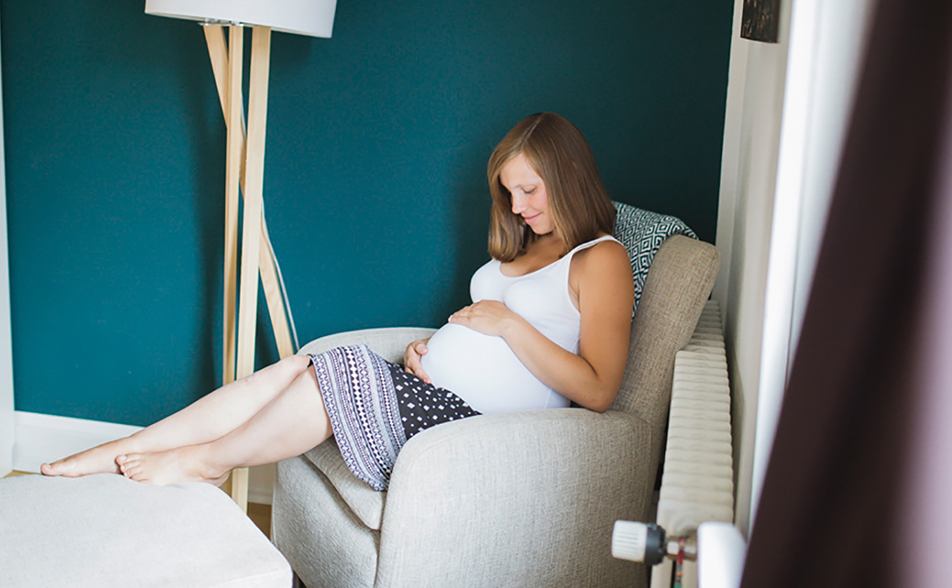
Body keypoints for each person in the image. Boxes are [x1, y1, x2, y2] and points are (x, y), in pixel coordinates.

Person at [41, 112, 635, 491]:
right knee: (302, 364)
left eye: (529, 189)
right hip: (434, 393)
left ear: (571, 172)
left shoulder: (599, 258)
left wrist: (506, 326)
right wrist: (431, 359)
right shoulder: (531, 243)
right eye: (509, 193)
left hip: (475, 431)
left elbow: (600, 390)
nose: (518, 207)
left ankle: (209, 460)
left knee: (338, 366)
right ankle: (127, 445)